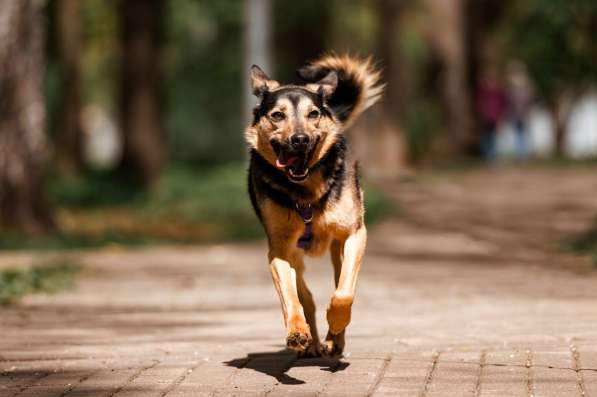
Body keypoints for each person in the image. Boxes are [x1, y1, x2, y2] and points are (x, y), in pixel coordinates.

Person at [476, 65, 507, 162]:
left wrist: (501, 115)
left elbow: (503, 102)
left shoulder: (498, 90)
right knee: (485, 137)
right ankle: (487, 156)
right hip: (486, 116)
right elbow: (479, 102)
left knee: (493, 137)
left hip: (494, 116)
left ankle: (492, 156)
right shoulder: (482, 89)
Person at [505, 60, 534, 160]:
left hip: (521, 114)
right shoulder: (516, 86)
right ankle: (521, 154)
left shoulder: (523, 85)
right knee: (519, 134)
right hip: (517, 114)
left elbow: (529, 99)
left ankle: (522, 154)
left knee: (521, 134)